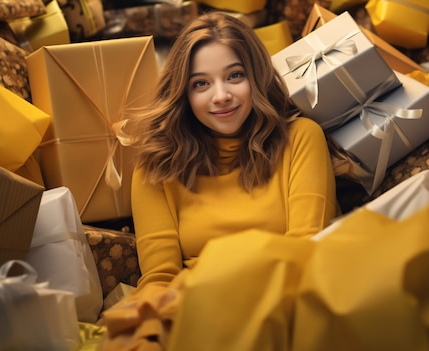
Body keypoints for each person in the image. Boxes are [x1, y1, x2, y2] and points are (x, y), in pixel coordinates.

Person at [129, 11, 337, 292]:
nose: (221, 96)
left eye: (234, 76)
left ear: (257, 77)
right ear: (184, 93)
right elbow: (160, 278)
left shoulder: (300, 138)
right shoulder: (157, 164)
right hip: (195, 309)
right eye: (201, 83)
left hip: (286, 298)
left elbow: (305, 250)